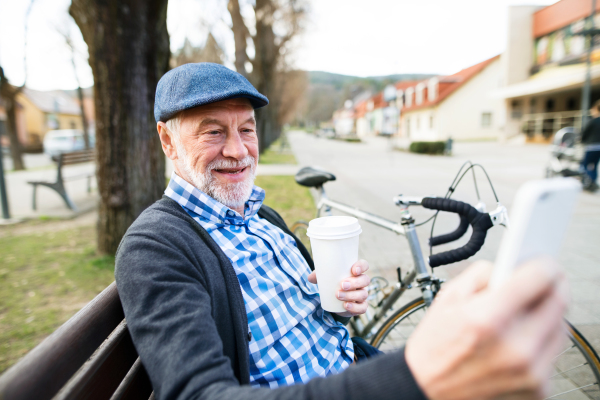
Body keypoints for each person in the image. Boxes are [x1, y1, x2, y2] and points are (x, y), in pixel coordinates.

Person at [115, 63, 568, 400]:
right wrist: (414, 371)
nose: (237, 151)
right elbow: (199, 396)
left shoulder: (263, 219)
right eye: (212, 132)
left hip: (352, 368)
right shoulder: (155, 247)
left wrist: (338, 303)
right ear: (168, 141)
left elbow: (322, 324)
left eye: (247, 129)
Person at [580, 100, 600, 192]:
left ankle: (589, 181)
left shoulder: (592, 121)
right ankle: (593, 181)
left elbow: (584, 133)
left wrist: (581, 141)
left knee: (585, 164)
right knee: (594, 165)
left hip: (591, 146)